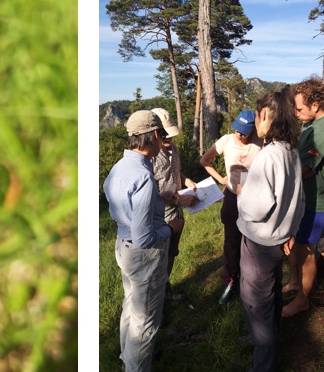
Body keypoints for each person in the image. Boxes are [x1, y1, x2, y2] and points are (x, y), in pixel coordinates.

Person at [104, 110, 185, 372]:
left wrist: (155, 200)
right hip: (143, 256)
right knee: (145, 324)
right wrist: (171, 228)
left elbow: (121, 206)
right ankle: (136, 366)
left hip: (122, 246)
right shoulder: (142, 177)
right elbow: (144, 237)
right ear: (152, 136)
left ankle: (127, 359)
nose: (163, 139)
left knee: (130, 306)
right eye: (161, 134)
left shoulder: (119, 168)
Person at [237, 88, 305, 372]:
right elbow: (299, 199)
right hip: (279, 241)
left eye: (256, 115)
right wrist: (291, 231)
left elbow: (254, 209)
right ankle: (266, 337)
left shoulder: (267, 156)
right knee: (272, 296)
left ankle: (263, 359)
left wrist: (241, 193)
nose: (255, 122)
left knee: (256, 301)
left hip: (259, 243)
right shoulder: (291, 151)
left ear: (265, 115)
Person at [282, 76, 324, 317]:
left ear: (315, 105)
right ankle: (295, 282)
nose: (296, 114)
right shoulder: (311, 122)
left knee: (307, 251)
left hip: (315, 202)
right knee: (295, 243)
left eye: (299, 109)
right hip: (302, 198)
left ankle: (303, 299)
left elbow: (305, 169)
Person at [200, 109, 264, 304]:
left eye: (244, 131)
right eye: (237, 129)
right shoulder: (226, 141)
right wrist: (221, 178)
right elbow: (205, 160)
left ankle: (251, 280)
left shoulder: (260, 142)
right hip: (232, 196)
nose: (239, 134)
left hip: (254, 196)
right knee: (231, 240)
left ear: (253, 129)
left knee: (253, 240)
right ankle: (230, 281)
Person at [150, 108, 199, 302]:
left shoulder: (173, 149)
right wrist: (180, 199)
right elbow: (152, 193)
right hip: (159, 216)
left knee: (172, 252)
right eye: (165, 134)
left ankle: (165, 287)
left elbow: (175, 173)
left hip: (176, 213)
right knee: (157, 257)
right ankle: (154, 299)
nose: (169, 138)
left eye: (171, 133)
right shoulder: (150, 157)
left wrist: (187, 181)